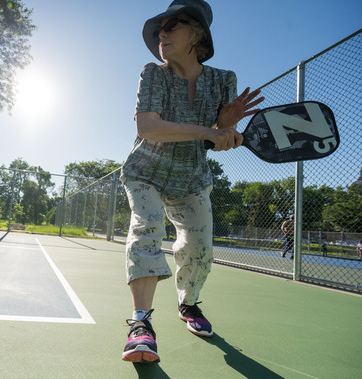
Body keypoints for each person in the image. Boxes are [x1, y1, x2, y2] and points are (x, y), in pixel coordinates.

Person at [120, 0, 264, 363]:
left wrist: (226, 128)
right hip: (146, 172)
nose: (162, 33)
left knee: (200, 248)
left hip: (192, 179)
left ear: (197, 34)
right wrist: (210, 129)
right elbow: (147, 126)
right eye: (160, 28)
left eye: (173, 24)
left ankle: (188, 304)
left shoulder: (223, 80)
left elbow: (212, 143)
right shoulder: (153, 73)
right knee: (147, 227)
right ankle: (141, 325)